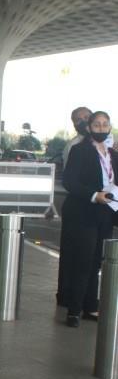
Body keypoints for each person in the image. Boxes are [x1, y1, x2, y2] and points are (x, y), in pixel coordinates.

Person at [62, 110, 117, 327]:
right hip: (83, 212)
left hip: (106, 213)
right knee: (83, 261)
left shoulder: (113, 154)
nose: (101, 128)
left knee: (96, 262)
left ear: (109, 127)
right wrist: (94, 195)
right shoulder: (80, 150)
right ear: (89, 128)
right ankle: (73, 310)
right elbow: (70, 182)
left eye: (105, 124)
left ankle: (90, 307)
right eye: (97, 125)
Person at [58, 106, 92, 307]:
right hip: (78, 206)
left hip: (97, 207)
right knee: (72, 253)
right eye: (78, 119)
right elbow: (71, 180)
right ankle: (66, 296)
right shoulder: (74, 146)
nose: (84, 121)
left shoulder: (106, 144)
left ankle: (87, 298)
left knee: (90, 256)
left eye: (87, 117)